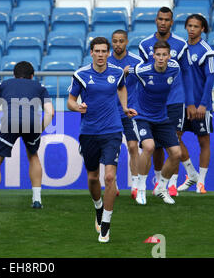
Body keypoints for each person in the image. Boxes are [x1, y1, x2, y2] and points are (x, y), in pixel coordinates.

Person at [67, 37, 137, 243]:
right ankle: (98, 207)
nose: (100, 54)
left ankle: (105, 225)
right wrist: (77, 107)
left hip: (112, 131)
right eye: (96, 51)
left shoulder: (116, 73)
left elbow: (122, 87)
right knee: (92, 177)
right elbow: (71, 100)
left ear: (108, 53)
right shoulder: (81, 75)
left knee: (109, 178)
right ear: (91, 52)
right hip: (88, 132)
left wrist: (124, 107)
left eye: (103, 51)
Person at [138, 7, 195, 197]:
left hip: (175, 100)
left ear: (172, 22)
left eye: (167, 19)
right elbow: (141, 74)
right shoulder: (145, 44)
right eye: (160, 19)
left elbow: (187, 73)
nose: (163, 22)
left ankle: (172, 184)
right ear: (156, 20)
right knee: (154, 145)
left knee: (174, 141)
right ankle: (158, 183)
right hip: (152, 103)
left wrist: (191, 102)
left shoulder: (180, 44)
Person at [0, 61, 54, 211]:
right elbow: (50, 112)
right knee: (33, 156)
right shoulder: (40, 87)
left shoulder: (4, 84)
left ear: (14, 75)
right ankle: (37, 200)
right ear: (32, 76)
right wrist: (41, 128)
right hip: (32, 123)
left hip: (9, 122)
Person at [132, 40, 182, 205]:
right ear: (153, 55)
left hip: (162, 117)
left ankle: (161, 187)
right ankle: (140, 189)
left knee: (176, 154)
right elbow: (124, 79)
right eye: (158, 55)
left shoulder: (175, 68)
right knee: (149, 146)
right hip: (142, 117)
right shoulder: (142, 70)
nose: (161, 58)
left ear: (169, 56)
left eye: (164, 55)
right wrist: (126, 106)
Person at [176, 14, 214, 194]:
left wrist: (203, 104)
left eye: (196, 26)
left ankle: (201, 182)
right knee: (174, 137)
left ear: (203, 29)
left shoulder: (207, 51)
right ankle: (191, 173)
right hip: (182, 103)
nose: (192, 29)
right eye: (189, 26)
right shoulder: (181, 49)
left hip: (201, 104)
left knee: (203, 141)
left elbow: (210, 79)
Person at [108, 29, 143, 199]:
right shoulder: (106, 62)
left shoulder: (137, 61)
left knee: (133, 146)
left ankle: (135, 184)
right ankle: (112, 183)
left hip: (130, 111)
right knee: (111, 149)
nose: (118, 44)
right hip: (110, 112)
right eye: (115, 41)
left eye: (121, 41)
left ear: (127, 42)